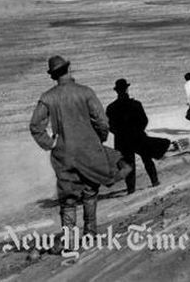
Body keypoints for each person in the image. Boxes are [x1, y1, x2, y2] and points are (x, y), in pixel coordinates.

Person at [30, 56, 128, 242]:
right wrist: (99, 139)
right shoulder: (86, 92)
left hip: (63, 154)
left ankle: (69, 240)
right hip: (89, 150)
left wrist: (50, 144)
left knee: (68, 199)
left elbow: (35, 126)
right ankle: (90, 234)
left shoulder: (47, 97)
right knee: (90, 192)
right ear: (68, 69)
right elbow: (102, 121)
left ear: (53, 76)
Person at [106, 79, 170, 194]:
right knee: (147, 159)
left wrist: (120, 133)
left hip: (122, 140)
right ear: (127, 89)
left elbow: (109, 126)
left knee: (128, 164)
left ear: (116, 91)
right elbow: (144, 121)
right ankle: (154, 181)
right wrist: (137, 131)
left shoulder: (111, 108)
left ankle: (131, 189)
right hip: (137, 136)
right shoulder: (136, 104)